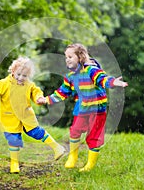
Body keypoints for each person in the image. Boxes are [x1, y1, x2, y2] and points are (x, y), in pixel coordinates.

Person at [40, 43, 128, 172]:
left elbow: (102, 79)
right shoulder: (70, 77)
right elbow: (62, 92)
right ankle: (73, 156)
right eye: (66, 57)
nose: (67, 59)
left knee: (93, 136)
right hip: (81, 108)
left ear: (80, 57)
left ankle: (90, 165)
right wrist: (46, 100)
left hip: (97, 109)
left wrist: (113, 82)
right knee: (75, 131)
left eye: (70, 56)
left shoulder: (91, 70)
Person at [0, 56, 65, 173]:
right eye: (19, 74)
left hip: (26, 117)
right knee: (13, 139)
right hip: (9, 118)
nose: (21, 78)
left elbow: (36, 92)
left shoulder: (29, 85)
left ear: (29, 76)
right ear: (13, 71)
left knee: (37, 132)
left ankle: (57, 147)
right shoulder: (5, 83)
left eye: (25, 76)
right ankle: (14, 164)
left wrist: (39, 98)